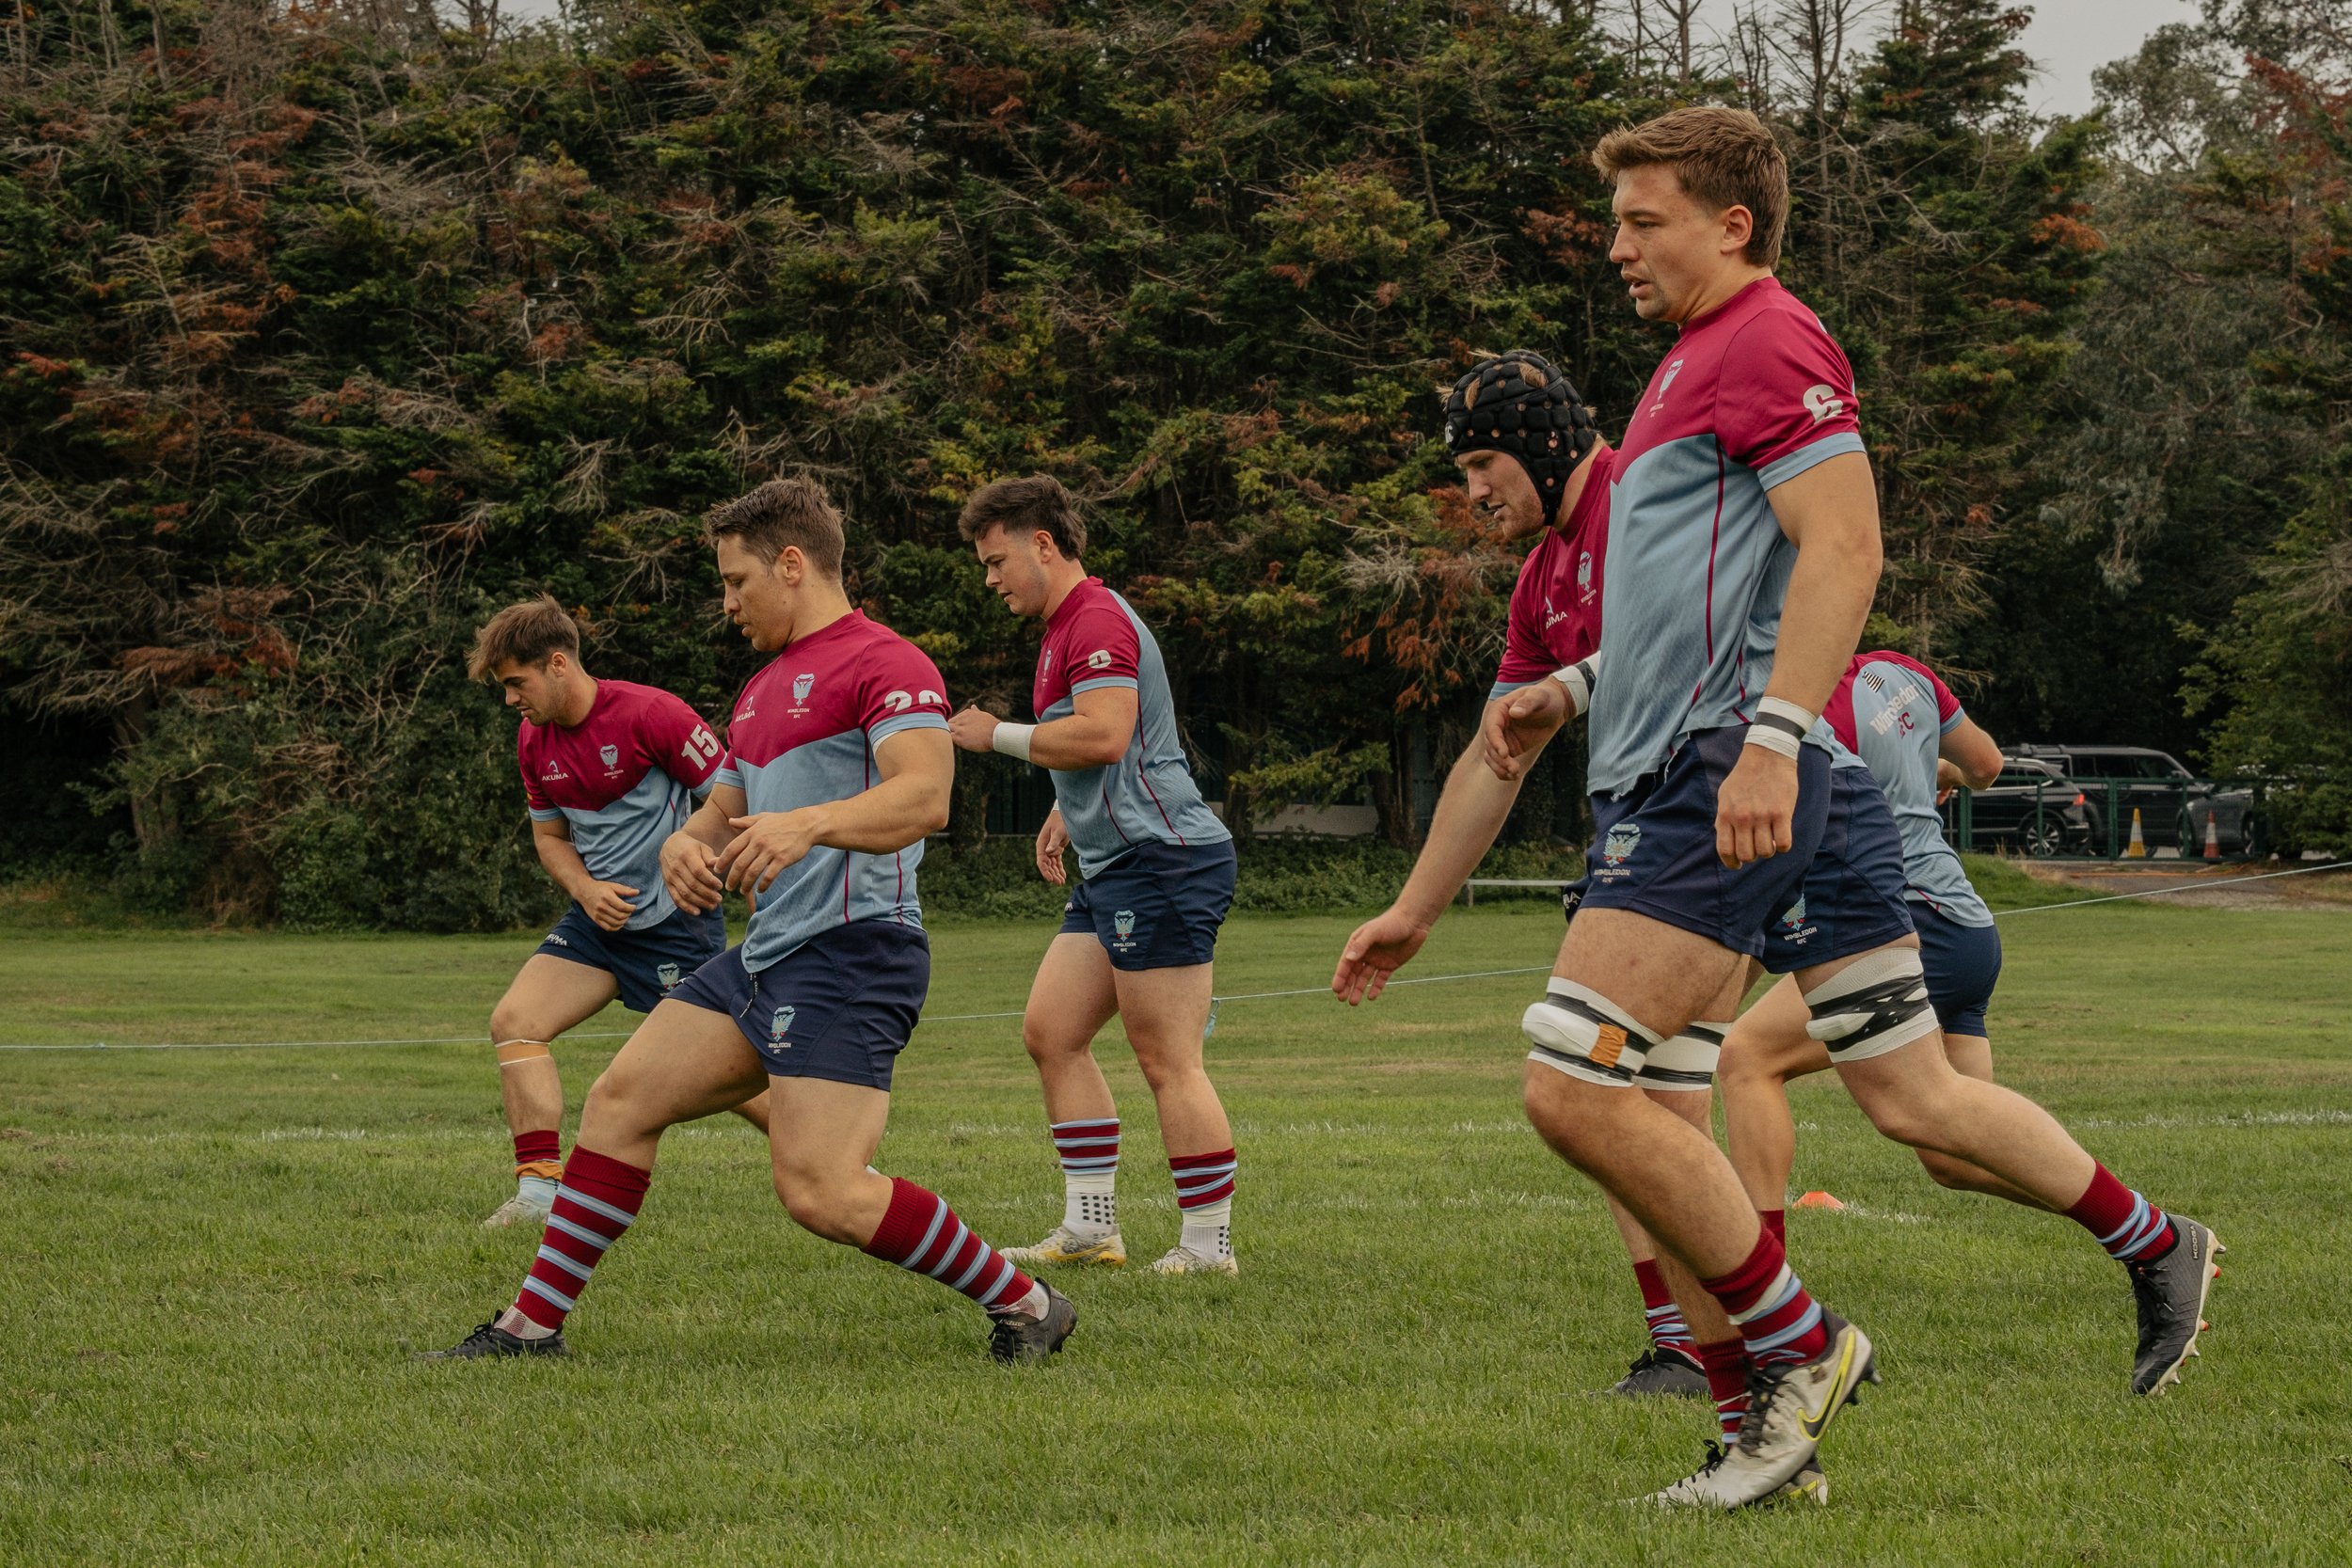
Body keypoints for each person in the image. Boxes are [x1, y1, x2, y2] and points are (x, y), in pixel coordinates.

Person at [1346, 107, 2217, 1508]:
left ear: (1731, 224)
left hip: (1724, 774)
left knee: (1580, 1076)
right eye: (1618, 221)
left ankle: (1797, 1354)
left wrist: (1772, 735)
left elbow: (1846, 545)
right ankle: (2154, 1239)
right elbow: (1703, 596)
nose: (1618, 246)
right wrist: (1570, 691)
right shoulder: (1683, 366)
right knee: (1917, 1101)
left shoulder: (1765, 338)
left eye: (1645, 220)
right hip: (1753, 771)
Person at [422, 478, 1075, 1363]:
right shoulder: (763, 687)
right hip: (767, 953)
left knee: (821, 1190)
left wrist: (806, 823)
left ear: (793, 565)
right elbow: (724, 800)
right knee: (618, 1102)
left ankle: (1029, 1302)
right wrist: (685, 844)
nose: (728, 603)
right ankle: (530, 1328)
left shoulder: (888, 662)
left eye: (737, 581)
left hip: (856, 954)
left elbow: (925, 796)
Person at [946, 476, 1242, 1276]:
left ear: (1045, 544)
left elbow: (1107, 734)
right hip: (1117, 862)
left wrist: (992, 733)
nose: (991, 577)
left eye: (997, 559)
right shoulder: (1063, 627)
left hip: (1164, 861)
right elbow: (1100, 746)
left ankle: (1208, 1247)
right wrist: (1065, 811)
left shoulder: (1097, 618)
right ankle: (1091, 1227)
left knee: (1168, 1058)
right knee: (1052, 1033)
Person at [466, 595, 767, 1228]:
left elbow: (736, 800)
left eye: (516, 683)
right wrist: (585, 889)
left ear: (556, 663)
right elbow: (550, 839)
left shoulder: (650, 714)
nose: (511, 699)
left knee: (719, 1073)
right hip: (597, 925)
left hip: (675, 924)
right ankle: (540, 1193)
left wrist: (746, 878)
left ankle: (832, 1154)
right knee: (516, 1020)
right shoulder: (533, 740)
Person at [1719, 652, 2048, 1223]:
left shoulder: (1805, 707)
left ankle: (1759, 1279)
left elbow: (1795, 840)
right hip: (1966, 930)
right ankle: (2153, 1228)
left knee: (1748, 1058)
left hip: (1906, 923)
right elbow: (1986, 765)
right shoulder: (1904, 672)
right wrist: (1932, 774)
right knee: (1959, 1161)